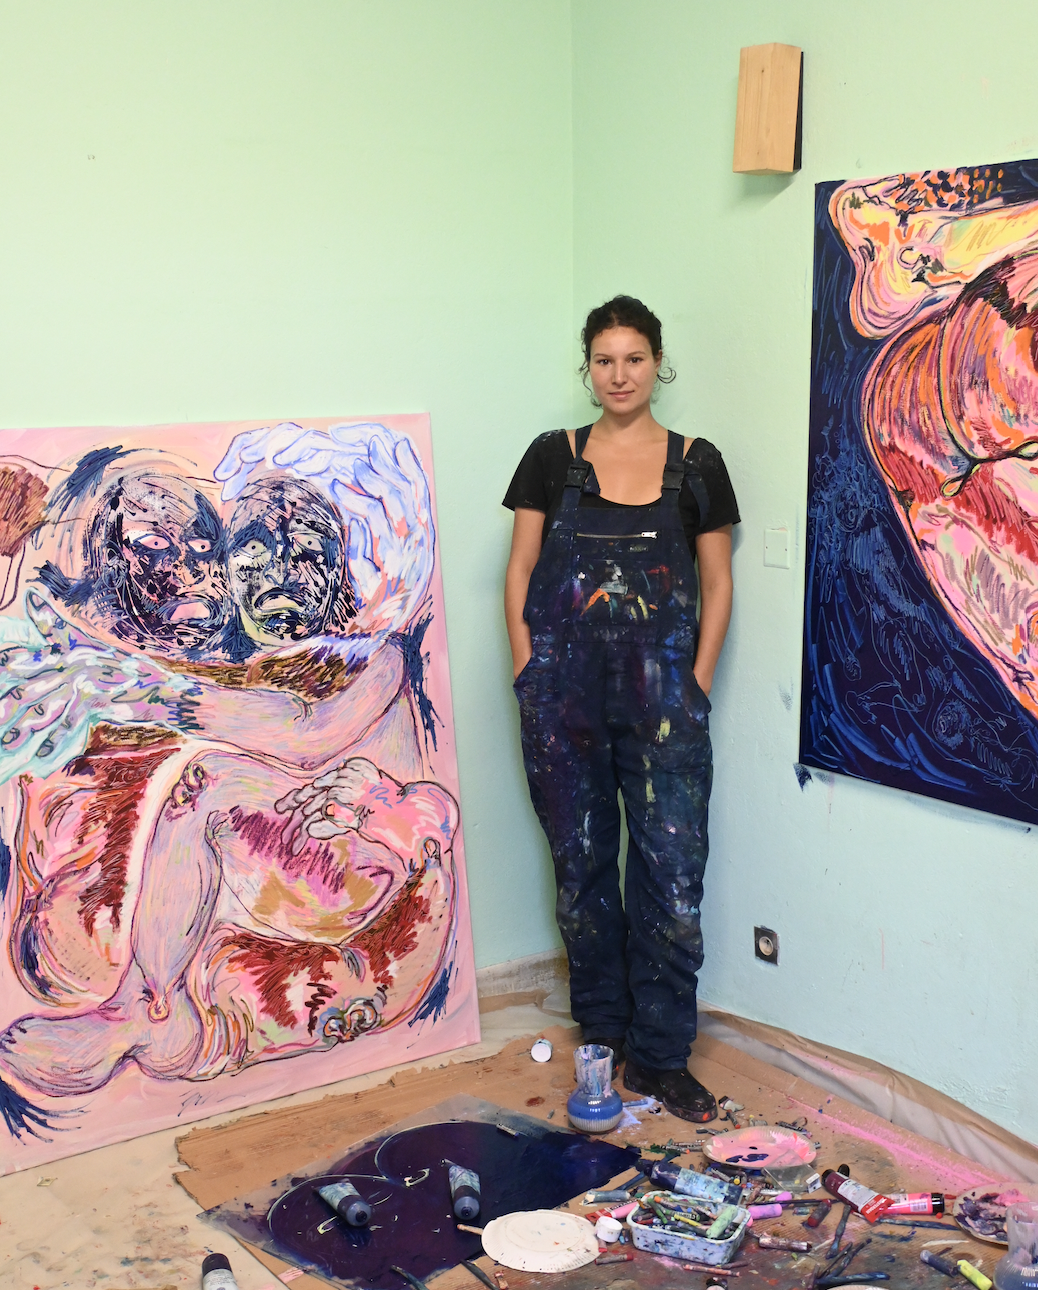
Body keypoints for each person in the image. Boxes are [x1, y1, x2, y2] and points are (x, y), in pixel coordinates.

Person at [503, 296, 739, 1122]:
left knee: (671, 880)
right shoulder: (552, 457)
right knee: (582, 875)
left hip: (666, 704)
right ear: (588, 368)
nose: (619, 374)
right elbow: (520, 568)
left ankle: (663, 1057)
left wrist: (697, 681)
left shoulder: (697, 465)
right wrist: (528, 668)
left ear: (657, 364)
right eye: (604, 360)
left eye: (634, 359)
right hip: (561, 699)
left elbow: (718, 582)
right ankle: (602, 1036)